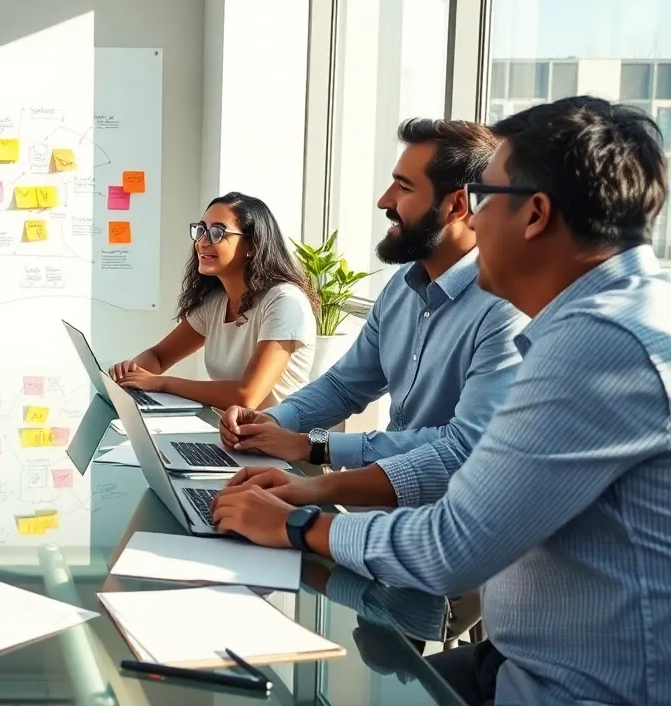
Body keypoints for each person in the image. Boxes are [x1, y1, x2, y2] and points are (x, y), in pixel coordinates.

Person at [212, 96, 671, 706]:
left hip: (575, 686)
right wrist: (306, 479)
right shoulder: (607, 317)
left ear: (534, 214)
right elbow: (438, 442)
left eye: (484, 200)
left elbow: (449, 546)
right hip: (518, 655)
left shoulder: (600, 345)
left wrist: (296, 521)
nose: (476, 225)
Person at [217, 119, 526, 475]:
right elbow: (344, 386)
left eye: (404, 187)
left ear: (456, 207)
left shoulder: (506, 309)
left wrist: (315, 447)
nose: (384, 201)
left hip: (437, 513)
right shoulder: (401, 288)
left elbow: (465, 446)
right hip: (381, 494)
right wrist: (270, 421)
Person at [108, 192, 318, 410]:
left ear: (252, 246)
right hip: (230, 434)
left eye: (217, 232)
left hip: (276, 439)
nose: (202, 242)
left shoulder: (285, 302)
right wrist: (130, 377)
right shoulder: (216, 302)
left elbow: (246, 397)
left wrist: (160, 383)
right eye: (201, 230)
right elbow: (158, 357)